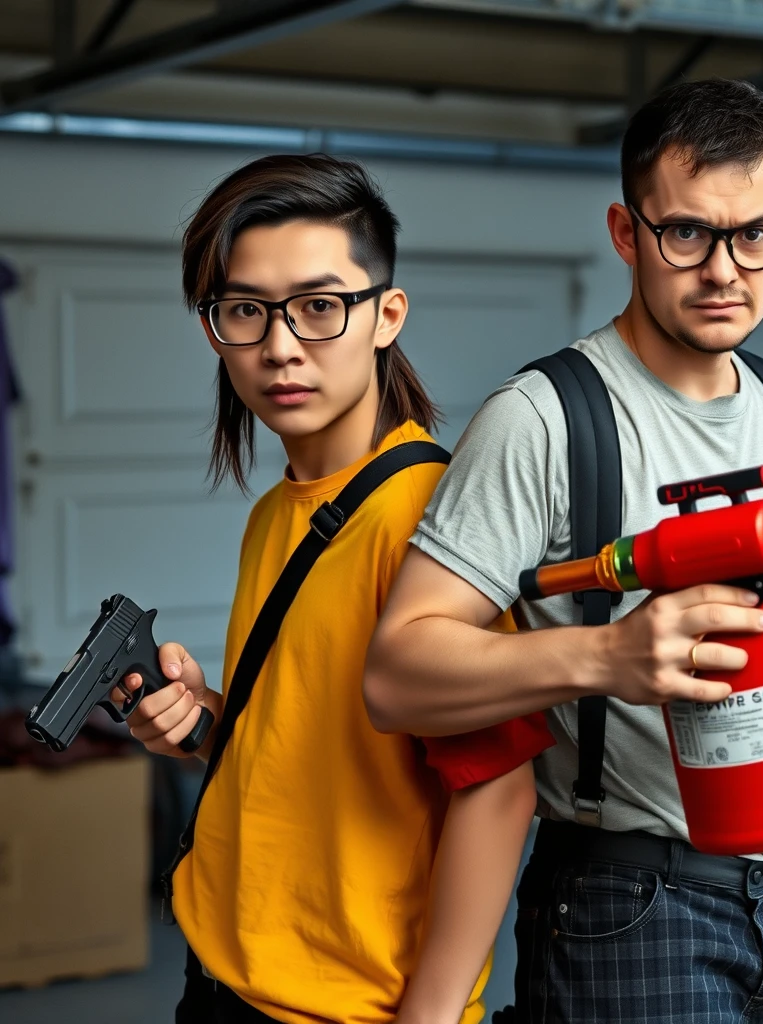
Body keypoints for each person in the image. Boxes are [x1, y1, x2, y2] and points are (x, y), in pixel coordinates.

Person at [364, 79, 763, 1023]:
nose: (725, 270)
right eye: (687, 233)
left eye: (754, 237)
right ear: (626, 231)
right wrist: (607, 655)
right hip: (625, 902)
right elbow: (396, 674)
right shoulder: (542, 419)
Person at [113, 154, 551, 1024]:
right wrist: (209, 718)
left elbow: (499, 789)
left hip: (349, 1005)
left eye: (319, 307)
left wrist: (427, 1016)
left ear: (386, 315)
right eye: (246, 311)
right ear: (215, 328)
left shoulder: (426, 519)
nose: (280, 346)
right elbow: (319, 744)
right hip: (227, 971)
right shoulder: (278, 509)